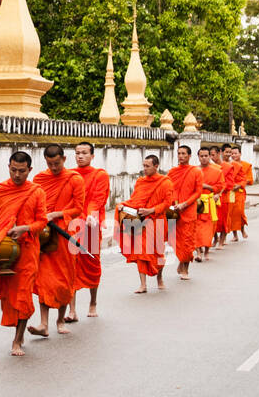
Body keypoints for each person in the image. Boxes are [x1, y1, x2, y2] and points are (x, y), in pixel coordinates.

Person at [0, 151, 48, 356]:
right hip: (7, 251)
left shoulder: (36, 192)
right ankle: (18, 332)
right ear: (8, 167)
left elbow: (42, 221)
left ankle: (17, 340)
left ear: (30, 170)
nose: (17, 175)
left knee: (24, 294)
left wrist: (24, 229)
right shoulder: (0, 190)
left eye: (22, 171)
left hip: (27, 250)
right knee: (10, 295)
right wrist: (0, 236)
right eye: (13, 170)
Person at [28, 144, 85, 338]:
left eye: (57, 163)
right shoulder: (40, 179)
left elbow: (78, 208)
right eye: (50, 164)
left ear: (64, 159)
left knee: (64, 279)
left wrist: (57, 214)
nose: (54, 167)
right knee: (44, 279)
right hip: (44, 235)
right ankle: (44, 323)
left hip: (65, 234)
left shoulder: (74, 180)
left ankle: (60, 320)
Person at [117, 155, 173, 293]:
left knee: (158, 253)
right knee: (140, 251)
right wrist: (123, 205)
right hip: (142, 221)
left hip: (158, 220)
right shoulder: (141, 182)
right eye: (144, 166)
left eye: (148, 166)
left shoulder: (165, 182)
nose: (145, 169)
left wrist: (151, 210)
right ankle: (143, 284)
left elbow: (167, 203)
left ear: (156, 166)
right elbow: (135, 199)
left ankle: (160, 278)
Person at [67, 141, 109, 320]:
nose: (80, 156)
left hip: (91, 225)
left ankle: (93, 302)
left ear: (92, 156)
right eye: (77, 153)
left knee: (92, 263)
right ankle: (72, 310)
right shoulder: (69, 175)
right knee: (71, 265)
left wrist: (92, 215)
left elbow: (98, 198)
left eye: (84, 153)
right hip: (72, 225)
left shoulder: (100, 175)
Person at [166, 145, 203, 280]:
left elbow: (198, 192)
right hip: (174, 211)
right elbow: (168, 189)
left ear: (189, 156)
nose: (181, 156)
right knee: (176, 240)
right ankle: (182, 261)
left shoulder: (196, 171)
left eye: (183, 153)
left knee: (187, 242)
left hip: (188, 210)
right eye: (179, 153)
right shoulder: (172, 172)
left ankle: (185, 269)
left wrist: (185, 204)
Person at [196, 146, 223, 261]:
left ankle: (206, 251)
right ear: (198, 157)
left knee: (208, 229)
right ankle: (198, 252)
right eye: (201, 156)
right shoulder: (194, 171)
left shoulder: (217, 171)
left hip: (209, 202)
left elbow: (220, 187)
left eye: (206, 156)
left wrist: (206, 186)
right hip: (196, 203)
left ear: (209, 157)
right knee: (196, 229)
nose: (204, 158)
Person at [229, 144, 252, 240]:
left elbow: (249, 179)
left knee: (239, 212)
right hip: (230, 192)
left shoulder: (246, 165)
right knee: (231, 213)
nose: (234, 155)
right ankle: (235, 235)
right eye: (232, 153)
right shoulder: (228, 165)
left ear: (240, 154)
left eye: (235, 153)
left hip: (240, 191)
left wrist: (240, 184)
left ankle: (242, 230)